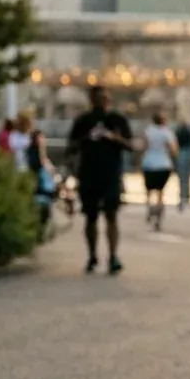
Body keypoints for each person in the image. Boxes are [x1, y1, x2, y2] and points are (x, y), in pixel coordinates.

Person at [66, 87, 138, 275]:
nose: (102, 102)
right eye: (99, 98)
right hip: (89, 173)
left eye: (105, 98)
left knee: (111, 214)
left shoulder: (117, 120)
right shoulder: (83, 121)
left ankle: (113, 256)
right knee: (90, 216)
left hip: (111, 173)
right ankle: (92, 255)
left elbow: (130, 144)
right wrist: (87, 138)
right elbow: (71, 146)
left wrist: (113, 137)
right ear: (91, 100)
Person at [139, 110, 179, 232]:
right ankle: (159, 218)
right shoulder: (167, 132)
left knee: (149, 190)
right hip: (163, 164)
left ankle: (150, 208)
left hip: (149, 164)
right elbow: (173, 149)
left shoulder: (148, 131)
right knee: (161, 192)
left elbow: (143, 147)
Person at [173, 116, 190, 212]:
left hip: (181, 153)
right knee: (187, 177)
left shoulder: (178, 131)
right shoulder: (189, 131)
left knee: (182, 177)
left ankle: (183, 196)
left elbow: (175, 143)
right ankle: (186, 196)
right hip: (188, 153)